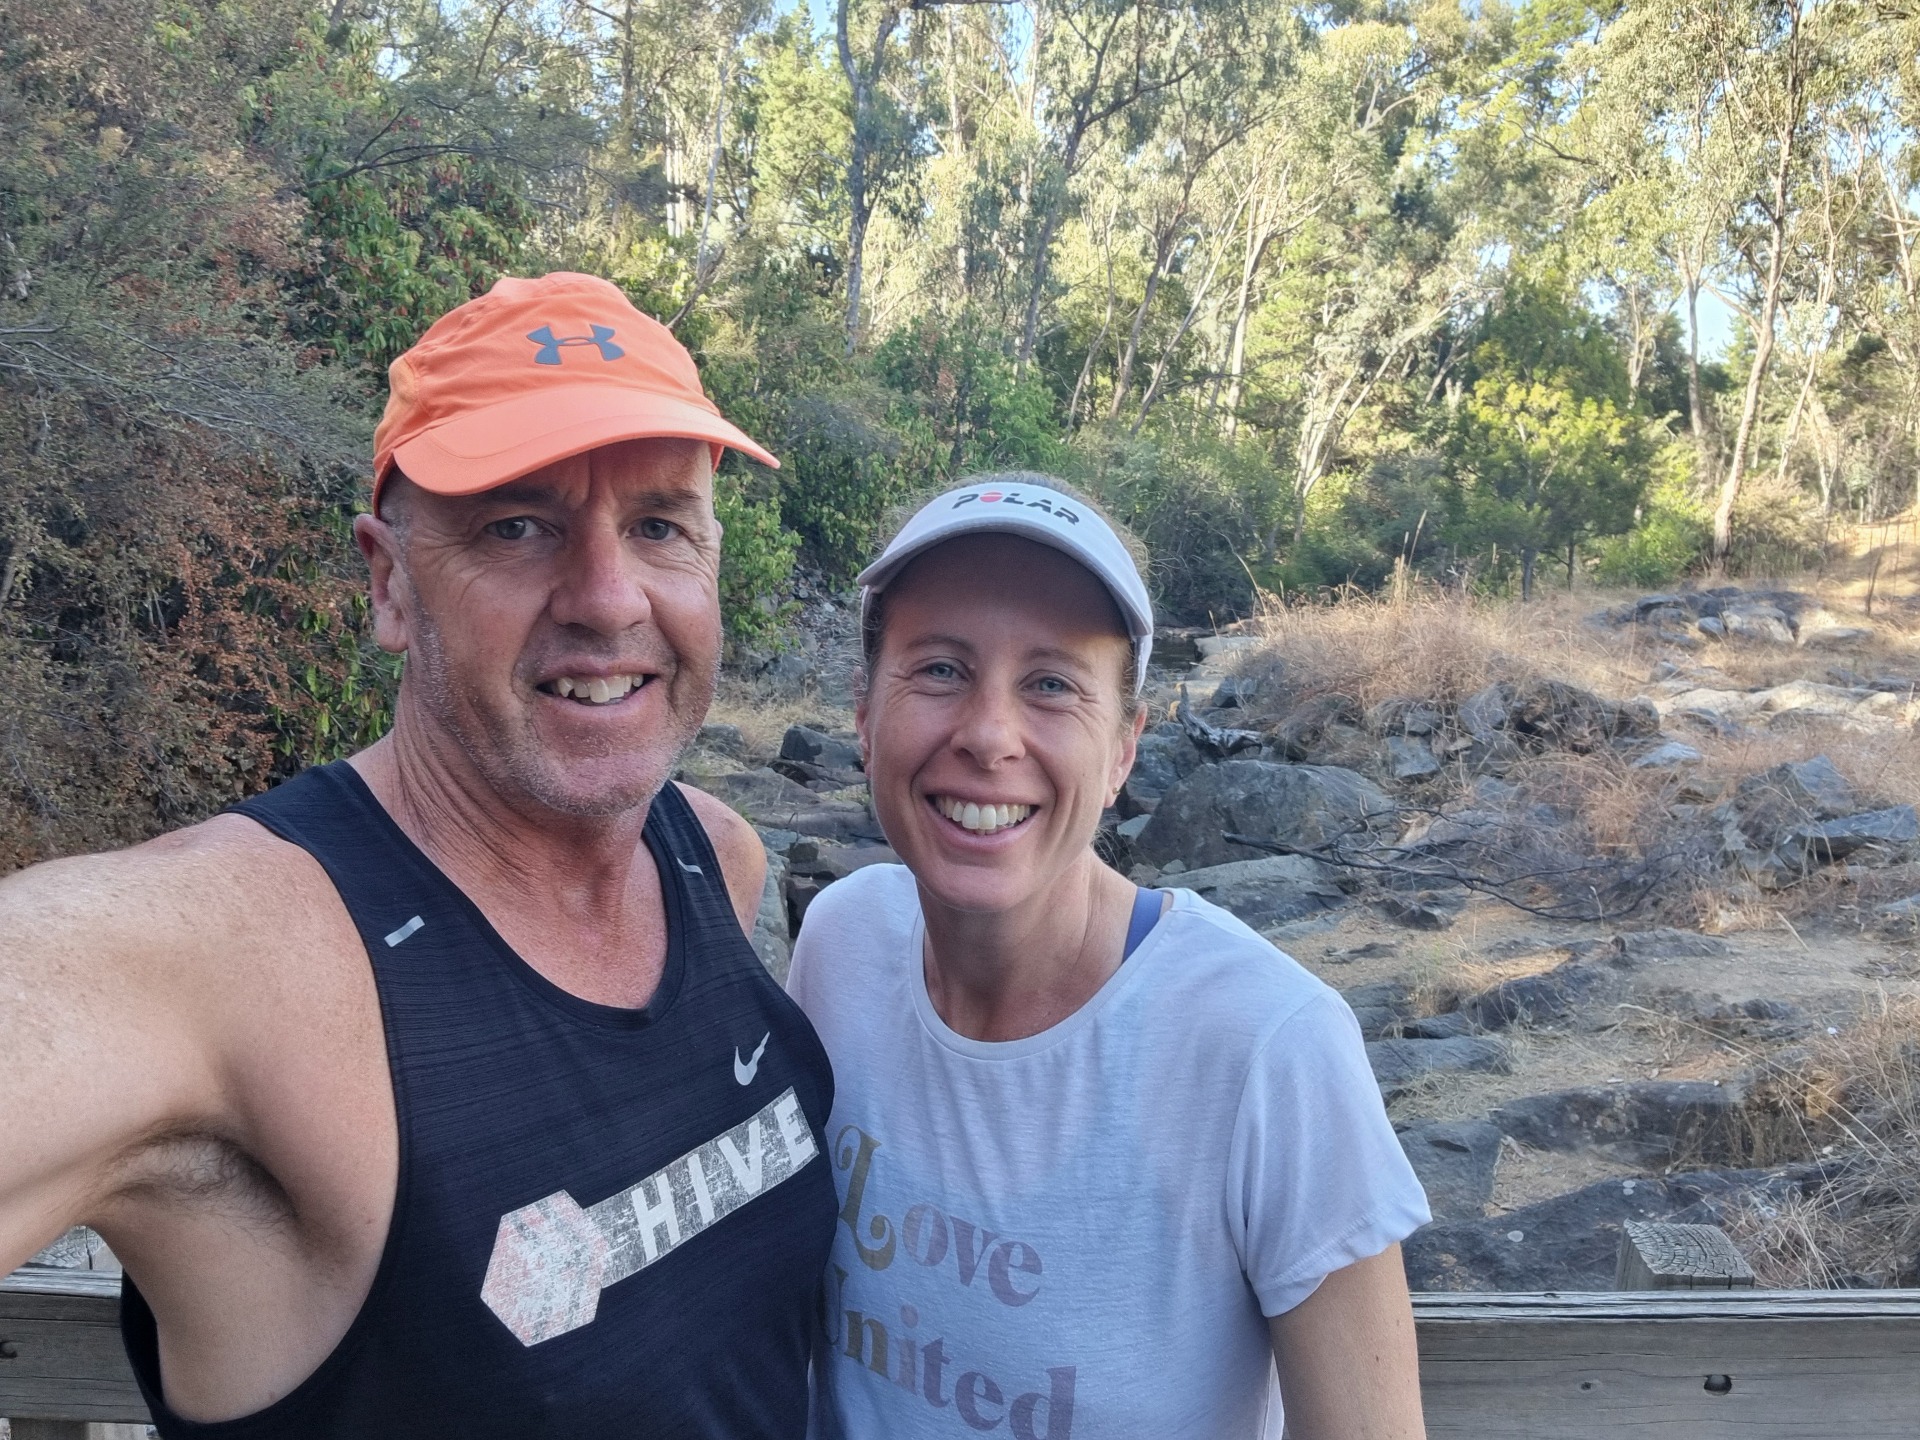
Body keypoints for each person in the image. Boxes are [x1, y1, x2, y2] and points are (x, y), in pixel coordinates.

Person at [0, 272, 838, 1438]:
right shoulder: (245, 956)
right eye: (517, 525)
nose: (607, 598)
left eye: (658, 524)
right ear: (391, 583)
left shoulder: (716, 858)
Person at [786, 476, 1431, 1440]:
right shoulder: (842, 945)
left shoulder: (1265, 1047)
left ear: (1126, 748)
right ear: (864, 710)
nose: (989, 736)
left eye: (1051, 683)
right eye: (939, 670)